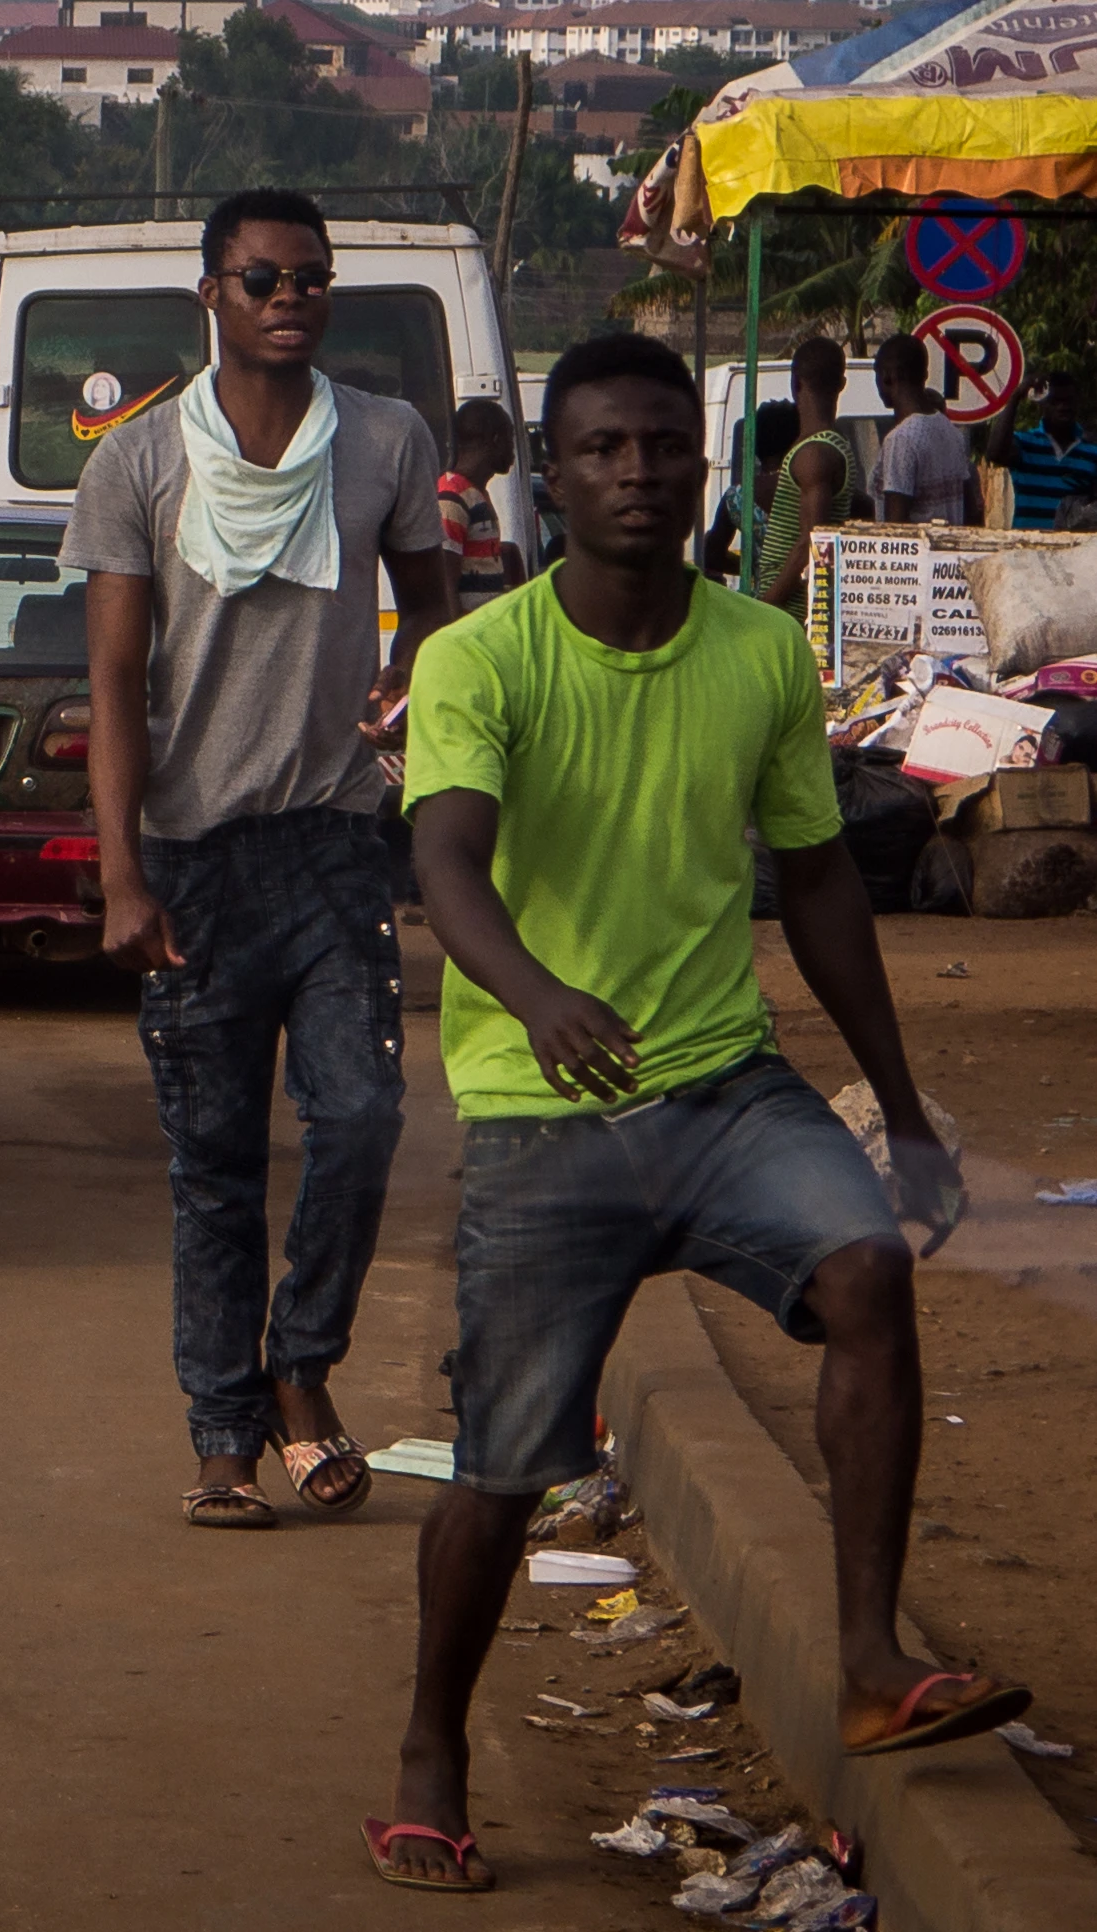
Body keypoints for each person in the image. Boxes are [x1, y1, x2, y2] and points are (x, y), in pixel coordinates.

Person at [370, 331, 1009, 1894]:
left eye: (662, 445)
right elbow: (444, 858)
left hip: (722, 1081)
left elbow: (816, 882)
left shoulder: (757, 653)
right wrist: (535, 997)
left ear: (698, 464)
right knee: (501, 1470)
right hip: (541, 1108)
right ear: (550, 474)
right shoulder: (477, 658)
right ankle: (430, 1753)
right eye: (601, 448)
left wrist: (901, 1108)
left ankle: (869, 1662)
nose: (636, 474)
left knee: (866, 1272)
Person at [69, 187, 459, 1531]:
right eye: (262, 280)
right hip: (192, 860)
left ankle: (302, 1367)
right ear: (211, 296)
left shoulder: (387, 440)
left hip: (334, 842)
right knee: (215, 1166)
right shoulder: (136, 463)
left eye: (311, 280)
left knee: (358, 1119)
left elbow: (435, 605)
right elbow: (114, 685)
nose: (290, 299)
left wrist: (408, 674)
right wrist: (122, 875)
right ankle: (223, 1440)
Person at [755, 337, 854, 616]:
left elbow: (811, 543)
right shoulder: (831, 447)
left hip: (791, 613)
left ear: (795, 383)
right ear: (842, 384)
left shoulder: (814, 454)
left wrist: (765, 606)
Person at [873, 335, 975, 525]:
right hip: (950, 544)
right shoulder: (951, 431)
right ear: (925, 374)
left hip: (918, 545)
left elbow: (895, 528)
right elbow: (971, 508)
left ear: (888, 376)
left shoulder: (901, 439)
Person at [436, 398, 522, 608]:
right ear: (495, 440)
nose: (513, 450)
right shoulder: (452, 497)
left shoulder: (474, 494)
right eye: (510, 438)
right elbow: (446, 586)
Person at [1002, 371, 1096, 529]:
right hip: (1026, 542)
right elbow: (995, 454)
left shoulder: (1092, 450)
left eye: (1068, 401)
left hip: (1074, 543)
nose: (1063, 407)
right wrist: (1015, 397)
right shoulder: (1025, 443)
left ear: (1077, 403)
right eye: (1055, 401)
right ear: (1043, 404)